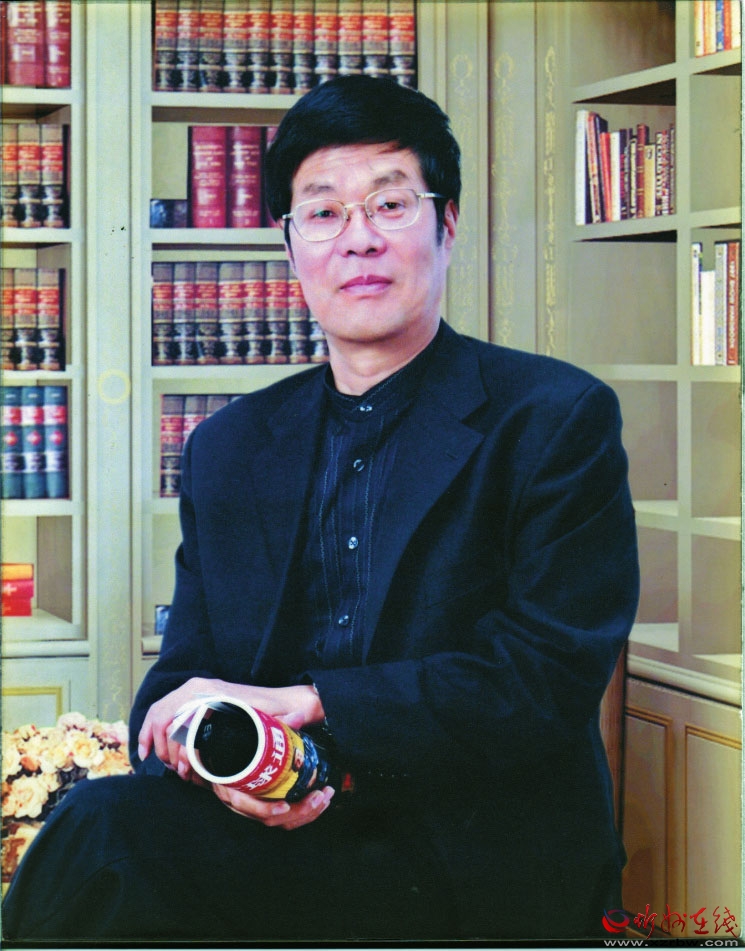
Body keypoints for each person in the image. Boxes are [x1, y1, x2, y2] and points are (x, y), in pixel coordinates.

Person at [2, 75, 639, 944]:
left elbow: (543, 677)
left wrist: (316, 703)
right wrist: (216, 764)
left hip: (472, 850)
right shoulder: (229, 446)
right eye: (324, 212)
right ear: (290, 244)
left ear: (447, 225)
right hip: (277, 833)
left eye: (390, 203)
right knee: (101, 826)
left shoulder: (552, 418)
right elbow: (182, 679)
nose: (358, 239)